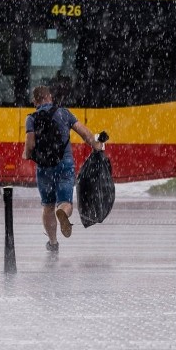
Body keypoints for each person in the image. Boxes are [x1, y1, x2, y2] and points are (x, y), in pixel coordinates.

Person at [22, 85, 102, 252]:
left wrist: (27, 155)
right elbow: (84, 133)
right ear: (49, 97)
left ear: (35, 101)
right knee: (65, 202)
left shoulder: (31, 118)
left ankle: (52, 242)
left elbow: (30, 145)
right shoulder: (63, 113)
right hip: (64, 164)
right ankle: (63, 211)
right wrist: (96, 145)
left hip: (44, 168)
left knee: (47, 206)